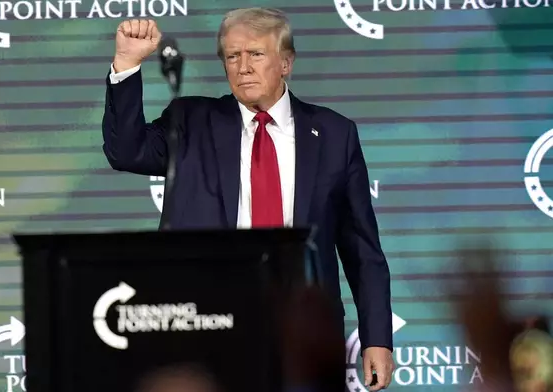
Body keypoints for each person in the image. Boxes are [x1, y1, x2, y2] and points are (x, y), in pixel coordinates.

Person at [101, 7, 394, 390]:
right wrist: (126, 65)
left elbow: (361, 248)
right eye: (232, 56)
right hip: (207, 327)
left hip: (302, 334)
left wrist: (376, 338)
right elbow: (126, 152)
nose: (243, 67)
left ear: (286, 62)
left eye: (255, 54)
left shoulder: (335, 135)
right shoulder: (191, 121)